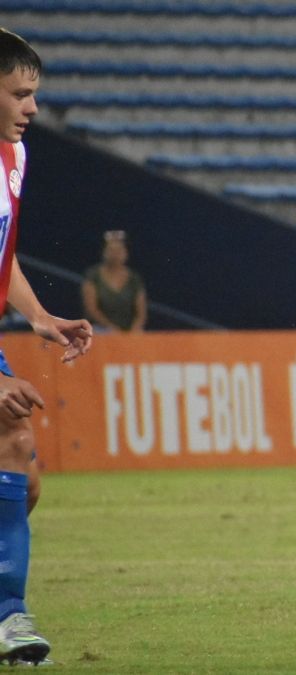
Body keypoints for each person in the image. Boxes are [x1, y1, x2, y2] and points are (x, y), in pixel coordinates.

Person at [0, 28, 94, 665]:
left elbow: (0, 256)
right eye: (18, 94)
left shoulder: (14, 156)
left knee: (22, 483)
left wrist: (36, 317)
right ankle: (9, 616)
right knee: (12, 438)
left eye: (34, 94)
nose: (32, 107)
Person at [81, 229, 147, 332]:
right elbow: (91, 310)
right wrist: (111, 328)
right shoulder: (93, 276)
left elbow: (141, 312)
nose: (115, 254)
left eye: (119, 250)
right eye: (111, 250)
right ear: (104, 252)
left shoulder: (134, 278)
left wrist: (135, 328)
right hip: (101, 328)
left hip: (128, 330)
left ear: (126, 252)